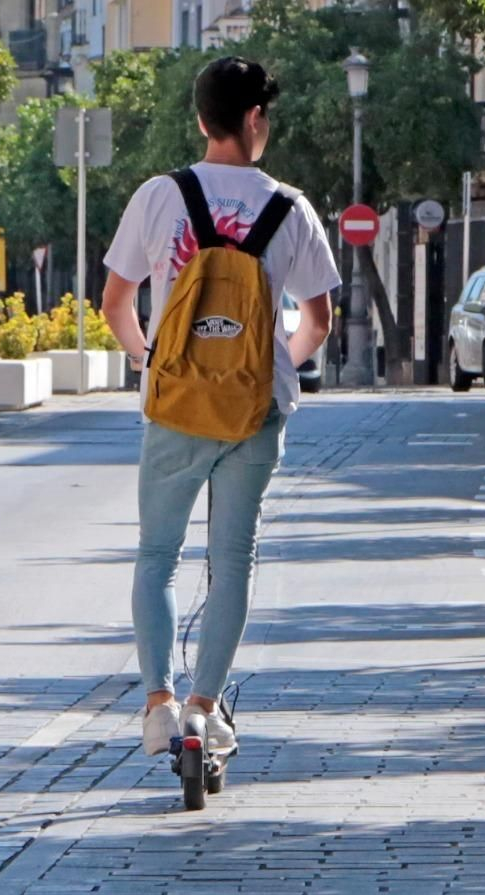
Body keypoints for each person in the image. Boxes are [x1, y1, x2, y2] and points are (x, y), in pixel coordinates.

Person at [101, 56, 339, 756]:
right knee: (232, 558)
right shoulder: (289, 208)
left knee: (156, 554)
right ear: (255, 119)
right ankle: (206, 707)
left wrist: (156, 364)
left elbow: (116, 301)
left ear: (202, 119)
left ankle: (158, 702)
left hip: (174, 405)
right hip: (253, 412)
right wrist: (269, 371)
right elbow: (317, 319)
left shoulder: (160, 195)